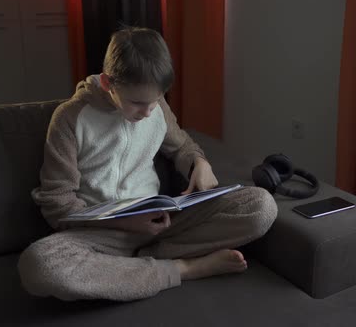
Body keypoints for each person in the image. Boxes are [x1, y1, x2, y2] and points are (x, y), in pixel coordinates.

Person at [17, 27, 278, 301]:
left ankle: (142, 262)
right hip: (99, 235)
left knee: (261, 206)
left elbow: (183, 146)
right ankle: (182, 268)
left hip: (162, 226)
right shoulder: (69, 118)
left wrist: (198, 163)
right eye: (137, 103)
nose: (148, 112)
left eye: (155, 101)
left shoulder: (156, 106)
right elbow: (57, 203)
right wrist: (124, 223)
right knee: (40, 265)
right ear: (108, 83)